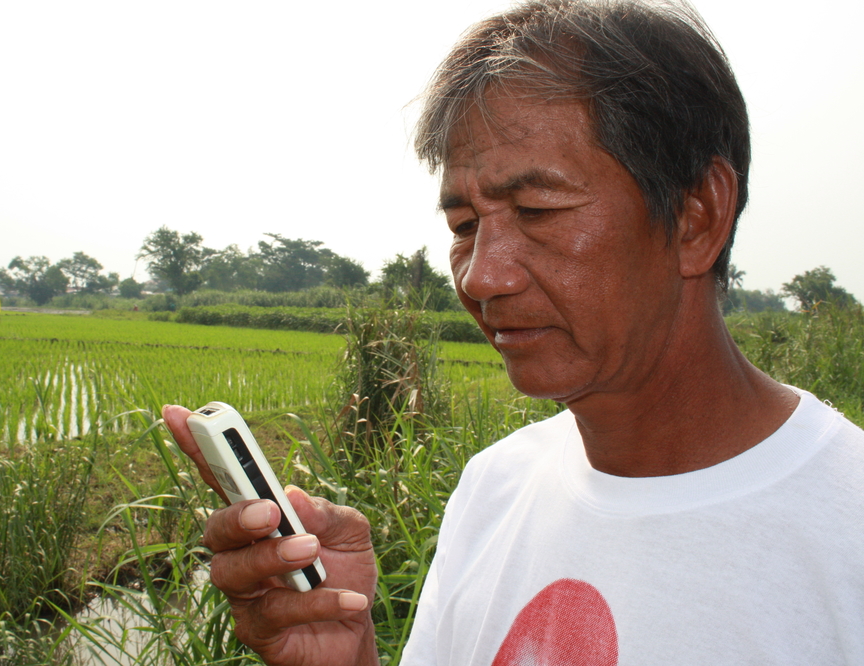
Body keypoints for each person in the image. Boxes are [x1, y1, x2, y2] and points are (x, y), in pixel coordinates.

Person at [163, 0, 864, 663]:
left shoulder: (846, 531)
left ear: (696, 216)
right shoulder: (494, 488)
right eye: (464, 225)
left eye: (537, 209)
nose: (480, 277)